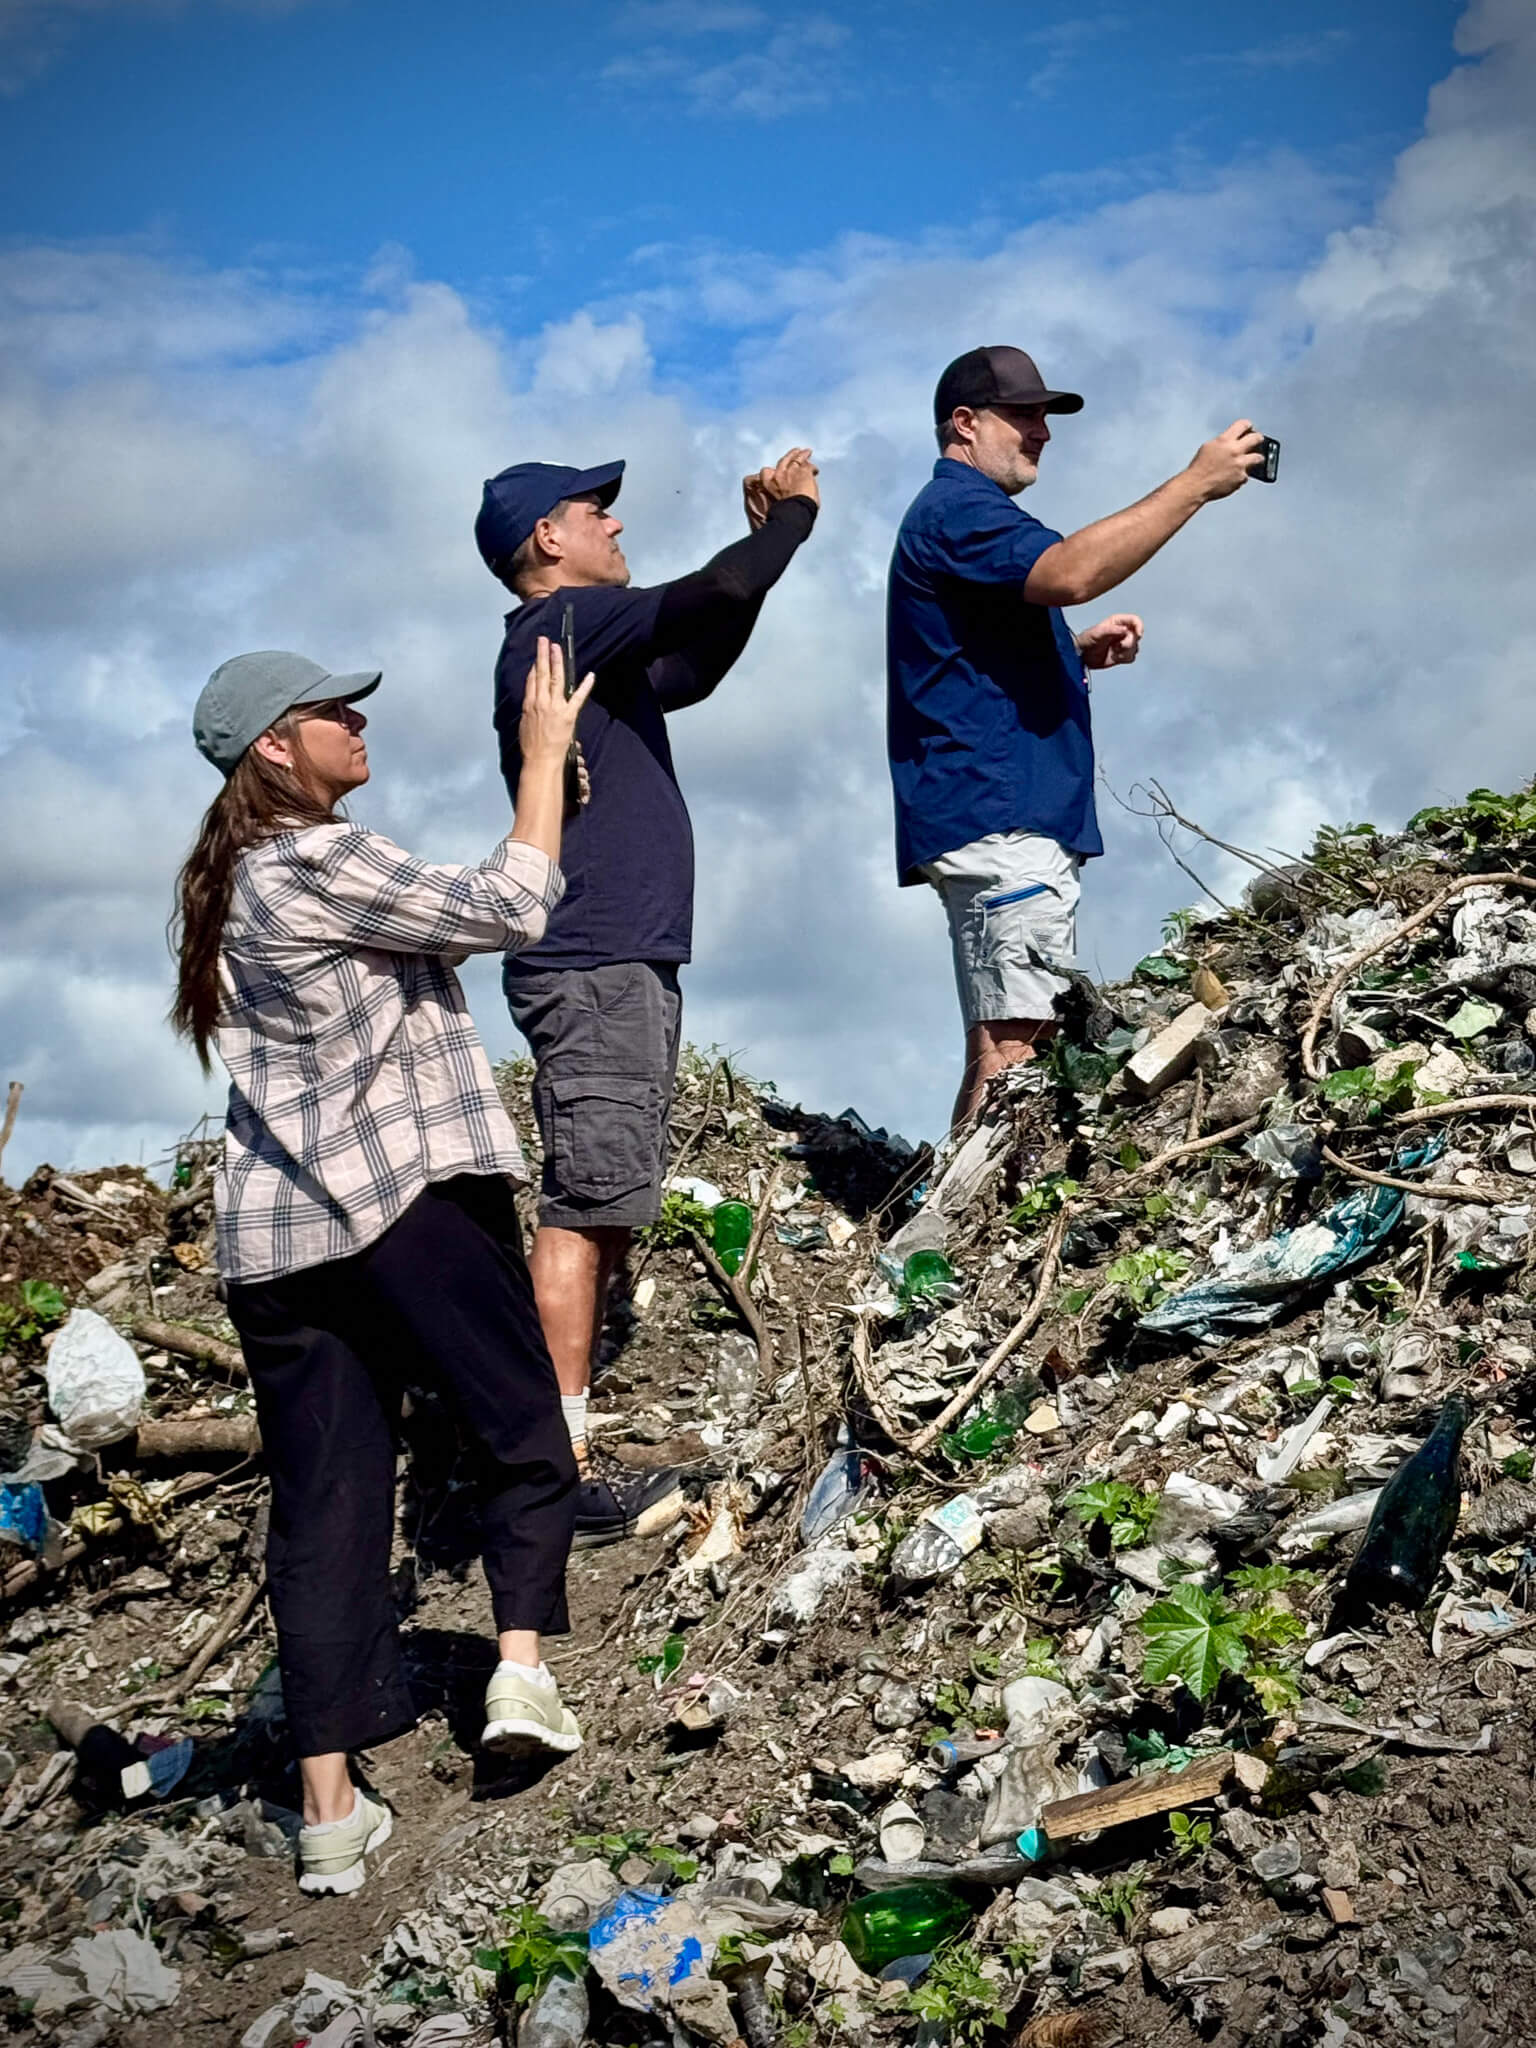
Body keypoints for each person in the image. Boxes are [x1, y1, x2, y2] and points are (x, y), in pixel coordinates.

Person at [173, 639, 591, 1897]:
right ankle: (518, 1673)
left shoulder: (229, 883)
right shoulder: (314, 858)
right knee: (522, 1420)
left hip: (276, 1240)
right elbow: (515, 904)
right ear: (273, 748)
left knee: (327, 1503)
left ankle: (329, 1810)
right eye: (330, 712)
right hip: (400, 1195)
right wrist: (544, 760)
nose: (359, 723)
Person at [474, 448, 819, 1545]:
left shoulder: (588, 653)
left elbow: (699, 659)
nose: (619, 527)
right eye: (598, 512)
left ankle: (557, 1439)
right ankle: (553, 1466)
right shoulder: (555, 631)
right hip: (594, 958)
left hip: (620, 957)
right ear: (549, 541)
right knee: (585, 1205)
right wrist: (791, 522)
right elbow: (716, 589)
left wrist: (765, 558)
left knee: (609, 1197)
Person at [886, 344, 1267, 1131]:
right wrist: (1194, 485)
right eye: (1023, 415)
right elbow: (1067, 573)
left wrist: (1070, 652)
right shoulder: (960, 509)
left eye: (1045, 416)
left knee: (1009, 1034)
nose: (1042, 432)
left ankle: (950, 1223)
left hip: (998, 812)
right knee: (1013, 1044)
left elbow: (977, 644)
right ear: (964, 424)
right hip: (1002, 817)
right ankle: (958, 1238)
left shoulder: (962, 515)